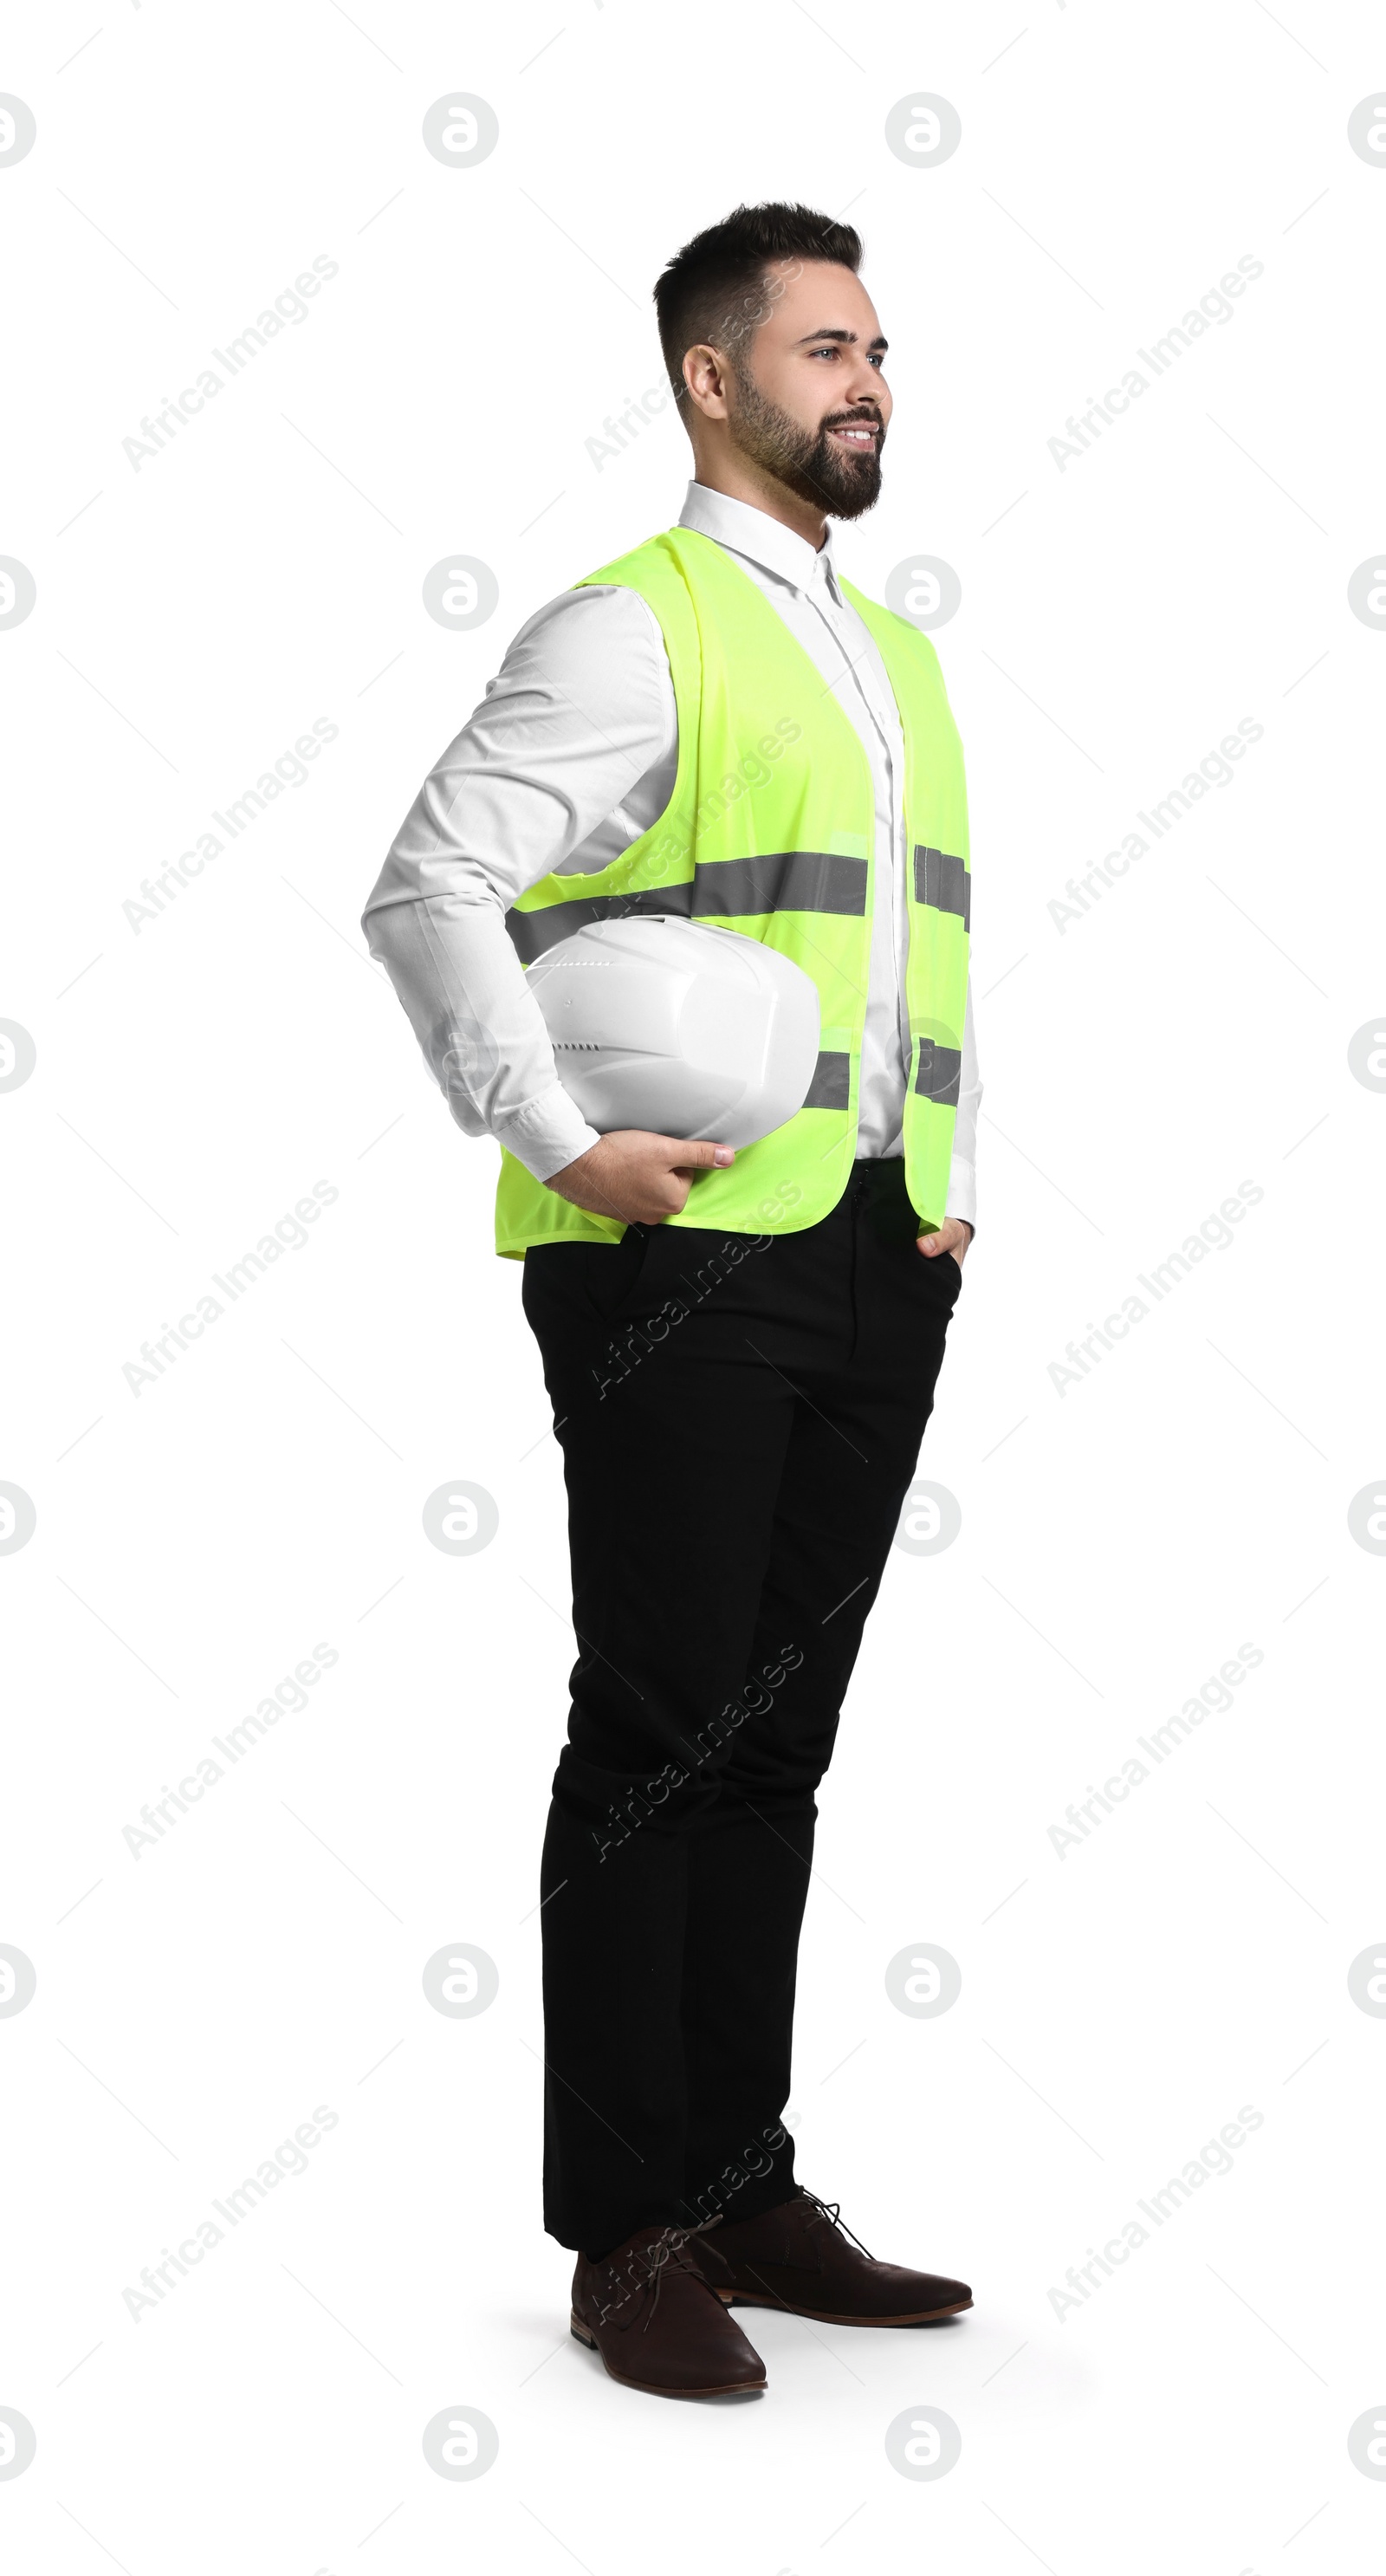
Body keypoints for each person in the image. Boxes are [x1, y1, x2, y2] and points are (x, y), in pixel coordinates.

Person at [363, 201, 980, 2399]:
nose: (867, 378)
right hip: (674, 1250)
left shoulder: (892, 660)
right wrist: (551, 1141)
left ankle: (737, 2179)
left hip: (868, 1245)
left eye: (878, 345)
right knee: (657, 1729)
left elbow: (909, 957)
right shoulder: (629, 630)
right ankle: (623, 2227)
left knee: (776, 1739)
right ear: (712, 379)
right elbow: (427, 879)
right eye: (823, 347)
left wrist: (943, 1187)